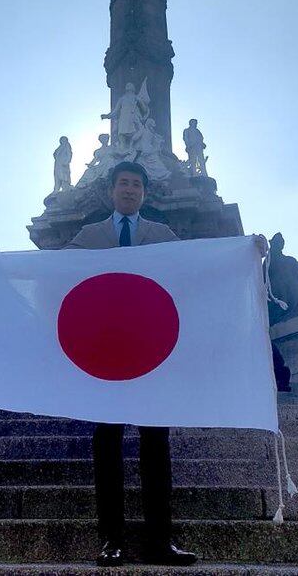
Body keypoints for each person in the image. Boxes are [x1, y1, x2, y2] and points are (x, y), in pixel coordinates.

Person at [66, 161, 267, 566]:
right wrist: (3, 262)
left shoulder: (162, 235)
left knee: (156, 445)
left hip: (153, 353)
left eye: (136, 184)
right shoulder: (90, 236)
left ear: (144, 193)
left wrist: (246, 249)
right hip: (105, 354)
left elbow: (198, 264)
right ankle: (111, 539)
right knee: (107, 446)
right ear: (111, 190)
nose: (129, 189)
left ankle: (161, 540)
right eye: (123, 183)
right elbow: (54, 271)